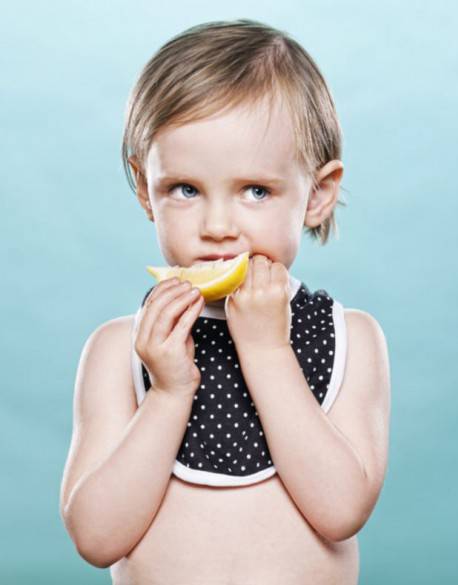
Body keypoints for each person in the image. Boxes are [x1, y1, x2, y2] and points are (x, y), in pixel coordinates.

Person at [59, 18, 391, 584]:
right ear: (146, 190)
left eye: (255, 191)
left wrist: (267, 351)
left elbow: (340, 511)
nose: (217, 226)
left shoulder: (350, 337)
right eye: (185, 189)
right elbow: (96, 538)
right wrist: (168, 392)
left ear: (317, 194)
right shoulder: (119, 349)